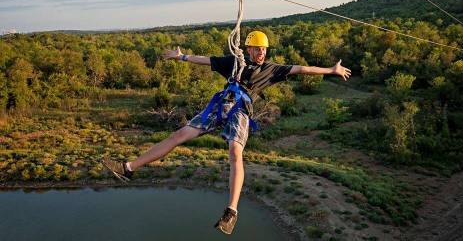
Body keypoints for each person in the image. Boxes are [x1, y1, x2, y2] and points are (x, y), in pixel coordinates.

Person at [103, 30, 351, 234]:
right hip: (220, 105)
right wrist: (182, 57)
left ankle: (231, 211)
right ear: (249, 49)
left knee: (235, 152)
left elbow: (302, 69)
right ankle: (128, 168)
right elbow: (206, 60)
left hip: (241, 111)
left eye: (264, 49)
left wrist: (331, 70)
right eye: (257, 49)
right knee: (177, 136)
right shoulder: (234, 63)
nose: (261, 53)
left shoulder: (272, 70)